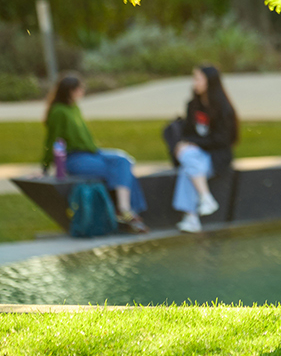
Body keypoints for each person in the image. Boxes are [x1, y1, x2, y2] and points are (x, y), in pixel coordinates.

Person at [42, 74, 149, 233]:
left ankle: (124, 209)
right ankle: (127, 211)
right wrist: (45, 166)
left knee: (124, 161)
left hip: (92, 153)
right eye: (80, 88)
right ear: (70, 91)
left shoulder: (74, 107)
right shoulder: (58, 112)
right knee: (119, 171)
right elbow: (52, 140)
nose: (83, 91)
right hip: (75, 158)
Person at [162, 65, 239, 233]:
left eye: (197, 78)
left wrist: (194, 143)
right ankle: (205, 199)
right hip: (197, 154)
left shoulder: (224, 109)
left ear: (209, 82)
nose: (194, 82)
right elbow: (188, 132)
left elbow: (224, 140)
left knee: (188, 167)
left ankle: (192, 216)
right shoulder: (193, 105)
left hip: (217, 155)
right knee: (189, 159)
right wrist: (189, 142)